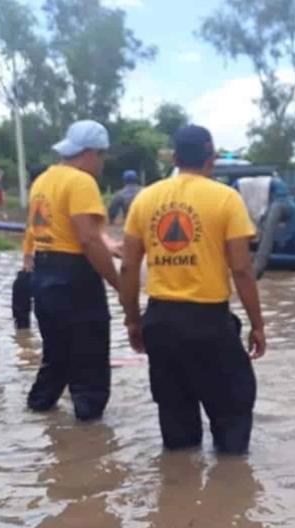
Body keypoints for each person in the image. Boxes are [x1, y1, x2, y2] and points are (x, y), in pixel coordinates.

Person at [119, 124, 266, 454]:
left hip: (160, 322)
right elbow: (241, 268)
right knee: (232, 415)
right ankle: (229, 494)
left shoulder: (145, 199)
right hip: (210, 324)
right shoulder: (226, 199)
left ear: (174, 157)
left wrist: (132, 320)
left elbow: (128, 267)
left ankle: (178, 493)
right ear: (210, 159)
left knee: (177, 427)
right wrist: (257, 324)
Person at [24, 120, 120, 421]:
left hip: (44, 274)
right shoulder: (82, 182)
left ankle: (39, 405)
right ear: (90, 153)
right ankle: (90, 434)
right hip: (75, 276)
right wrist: (119, 283)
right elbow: (87, 238)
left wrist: (109, 244)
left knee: (57, 353)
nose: (102, 163)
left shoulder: (43, 180)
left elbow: (61, 226)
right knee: (90, 357)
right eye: (102, 156)